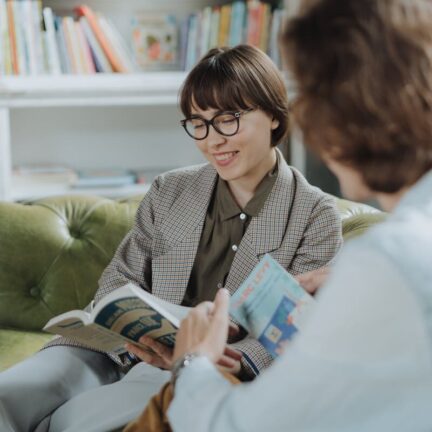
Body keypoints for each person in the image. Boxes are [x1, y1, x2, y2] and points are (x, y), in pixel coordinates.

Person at [0, 45, 342, 432]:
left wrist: (213, 360)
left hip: (195, 368)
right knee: (10, 394)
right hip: (112, 348)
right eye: (198, 122)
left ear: (275, 118)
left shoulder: (314, 215)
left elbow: (294, 332)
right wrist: (132, 331)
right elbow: (119, 280)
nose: (212, 140)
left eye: (228, 119)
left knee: (78, 423)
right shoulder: (170, 190)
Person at [127, 0, 432, 431]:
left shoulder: (382, 259)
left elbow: (229, 423)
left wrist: (192, 360)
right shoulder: (402, 250)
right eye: (199, 123)